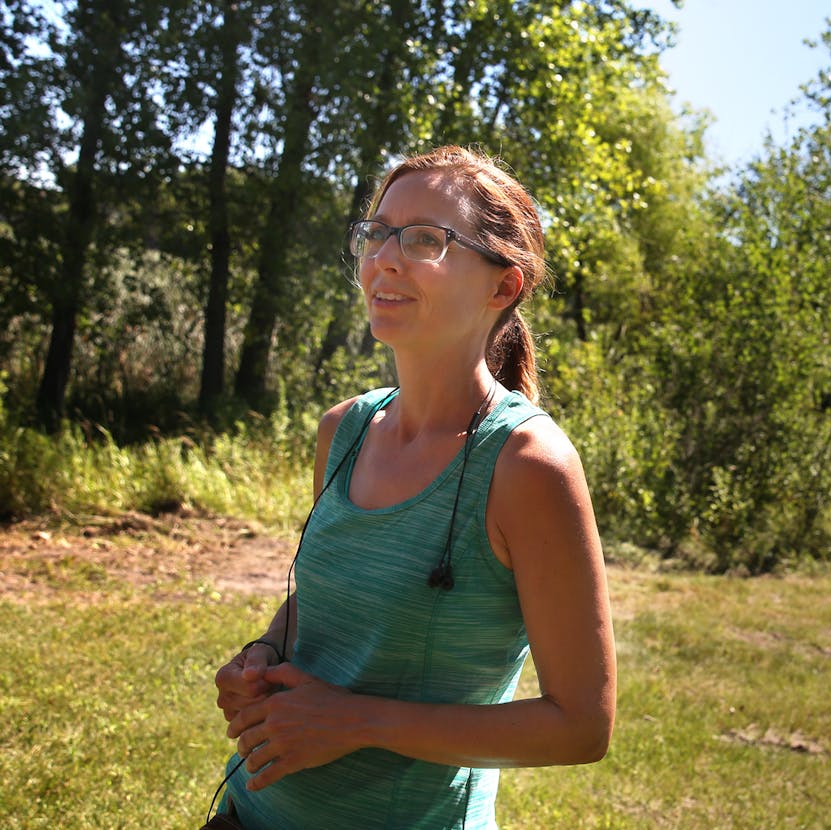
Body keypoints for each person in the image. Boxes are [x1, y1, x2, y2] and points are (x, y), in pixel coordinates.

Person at [210, 145, 616, 829]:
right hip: (250, 812)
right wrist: (263, 655)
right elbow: (320, 606)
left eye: (425, 239)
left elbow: (581, 726)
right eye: (376, 234)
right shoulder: (343, 431)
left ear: (502, 286)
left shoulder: (525, 466)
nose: (384, 259)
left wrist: (358, 722)